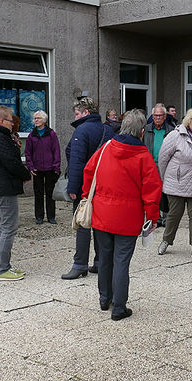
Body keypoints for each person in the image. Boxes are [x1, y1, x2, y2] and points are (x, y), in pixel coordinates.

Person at [82, 109, 162, 321]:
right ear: (142, 132)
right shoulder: (143, 156)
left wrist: (86, 196)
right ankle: (119, 307)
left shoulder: (106, 148)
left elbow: (89, 171)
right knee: (121, 261)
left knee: (104, 258)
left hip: (102, 213)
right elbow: (152, 190)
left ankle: (104, 298)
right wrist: (152, 217)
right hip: (128, 217)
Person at [62, 95, 114, 280]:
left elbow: (76, 162)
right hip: (104, 185)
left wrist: (72, 188)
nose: (75, 117)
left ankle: (79, 264)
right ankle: (100, 262)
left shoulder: (81, 131)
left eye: (77, 113)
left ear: (85, 112)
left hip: (86, 187)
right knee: (100, 225)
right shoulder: (107, 130)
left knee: (83, 223)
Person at [157, 106, 192, 260]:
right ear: (188, 122)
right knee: (174, 215)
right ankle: (166, 240)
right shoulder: (176, 136)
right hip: (177, 183)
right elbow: (163, 159)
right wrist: (167, 179)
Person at [0, 105, 32, 281]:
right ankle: (2, 269)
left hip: (3, 186)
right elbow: (11, 162)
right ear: (3, 121)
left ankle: (4, 266)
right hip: (3, 188)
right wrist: (26, 174)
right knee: (8, 228)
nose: (13, 124)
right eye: (11, 121)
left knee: (6, 227)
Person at [24, 110, 61, 225]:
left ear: (44, 120)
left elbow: (56, 151)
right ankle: (39, 216)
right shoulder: (31, 135)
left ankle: (51, 216)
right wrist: (30, 166)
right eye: (35, 118)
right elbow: (28, 152)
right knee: (38, 193)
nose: (36, 120)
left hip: (50, 168)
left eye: (38, 118)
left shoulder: (51, 134)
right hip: (37, 169)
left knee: (50, 194)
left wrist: (56, 166)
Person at [144, 103, 175, 226]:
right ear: (152, 116)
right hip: (150, 167)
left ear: (165, 116)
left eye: (160, 115)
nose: (158, 118)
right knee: (152, 194)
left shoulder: (171, 130)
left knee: (166, 193)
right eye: (155, 115)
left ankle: (166, 217)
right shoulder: (146, 129)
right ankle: (154, 217)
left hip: (166, 167)